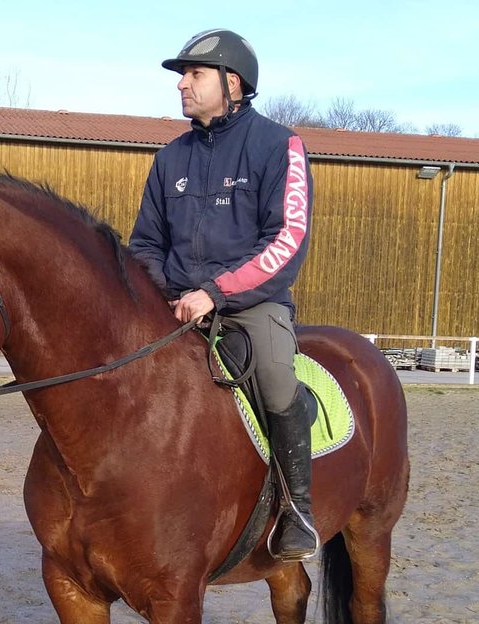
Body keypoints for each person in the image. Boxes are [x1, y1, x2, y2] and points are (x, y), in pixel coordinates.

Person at [128, 28, 320, 561]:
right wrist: (168, 294)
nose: (181, 86)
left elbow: (287, 238)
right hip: (176, 306)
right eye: (182, 76)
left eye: (194, 75)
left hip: (253, 304)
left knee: (279, 381)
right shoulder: (170, 159)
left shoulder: (279, 146)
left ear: (231, 82)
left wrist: (214, 292)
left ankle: (296, 509)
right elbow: (145, 241)